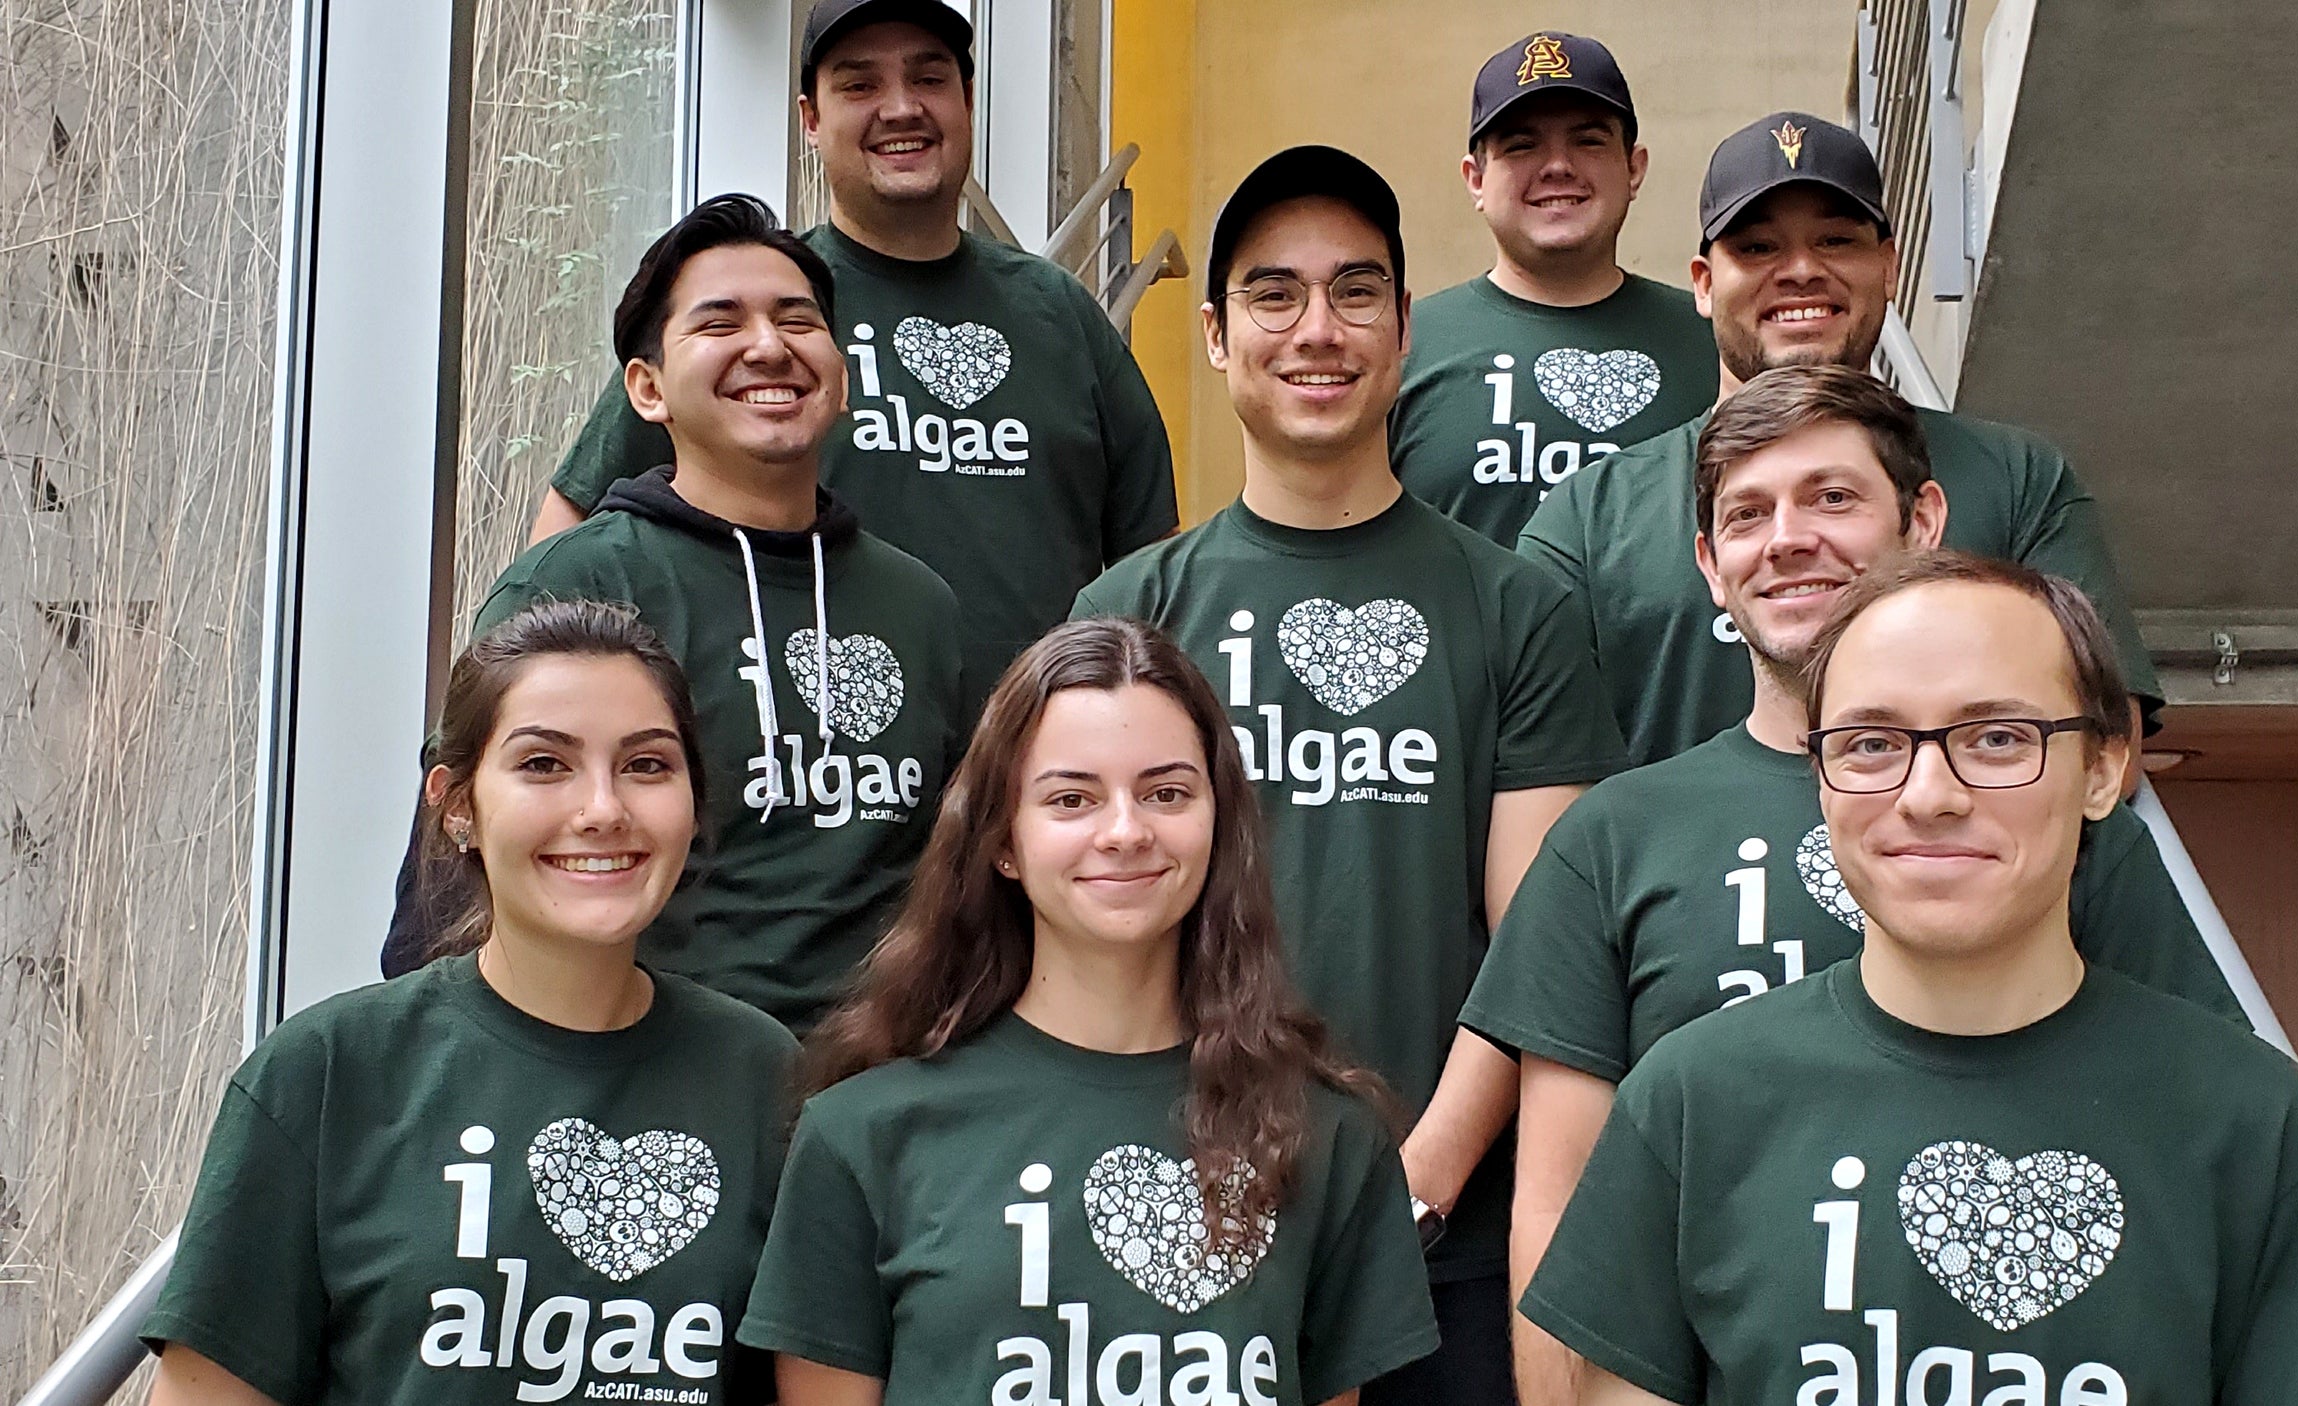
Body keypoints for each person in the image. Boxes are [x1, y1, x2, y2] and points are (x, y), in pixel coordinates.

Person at [1463, 368, 2247, 1406]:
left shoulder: (2044, 823)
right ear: (1706, 561)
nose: (1788, 537)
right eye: (1747, 511)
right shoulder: (1611, 838)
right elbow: (1558, 1201)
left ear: (1924, 519)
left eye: (1832, 497)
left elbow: (2206, 1142)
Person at [1519, 552, 2298, 1406]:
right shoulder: (1691, 1102)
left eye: (1998, 738)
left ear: (2103, 766)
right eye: (1872, 744)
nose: (1929, 795)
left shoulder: (2258, 1128)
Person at [1072, 146, 1626, 1406]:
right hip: (1183, 1212)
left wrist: (1416, 1175)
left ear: (1404, 329)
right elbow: (1087, 925)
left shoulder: (1516, 608)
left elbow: (1541, 947)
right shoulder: (1130, 614)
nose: (1315, 329)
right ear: (1215, 336)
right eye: (1273, 295)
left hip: (1448, 1238)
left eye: (1354, 290)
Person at [737, 617, 1439, 1405]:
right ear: (1004, 840)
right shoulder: (861, 1134)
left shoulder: (1328, 1135)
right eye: (1072, 798)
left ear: (1220, 822)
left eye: (1166, 792)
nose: (1125, 831)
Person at [143, 601, 799, 1406]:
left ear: (693, 801)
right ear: (457, 807)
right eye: (544, 765)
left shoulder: (768, 1079)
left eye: (646, 765)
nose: (602, 809)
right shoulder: (324, 1075)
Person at [391, 194, 966, 1034]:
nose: (769, 347)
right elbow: (448, 877)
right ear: (648, 389)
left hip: (882, 1090)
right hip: (650, 1077)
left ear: (840, 375)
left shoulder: (921, 605)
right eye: (720, 324)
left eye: (798, 320)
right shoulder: (576, 585)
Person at [533, 0, 1176, 691]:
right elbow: (566, 542)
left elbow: (1158, 576)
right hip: (796, 773)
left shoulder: (1064, 317)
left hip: (1032, 780)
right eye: (860, 85)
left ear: (967, 101)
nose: (900, 109)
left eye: (928, 80)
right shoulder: (758, 321)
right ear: (811, 118)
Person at [1517, 111, 2162, 767]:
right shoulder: (1590, 515)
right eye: (1759, 248)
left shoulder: (2018, 478)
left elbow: (2105, 739)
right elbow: (1529, 765)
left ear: (1888, 266)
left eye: (1835, 241)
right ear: (1705, 284)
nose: (1800, 270)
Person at [1391, 31, 1717, 548]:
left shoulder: (1714, 344)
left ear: (1634, 168)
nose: (1558, 166)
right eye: (1522, 146)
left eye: (1588, 141)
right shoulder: (1402, 347)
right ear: (1475, 179)